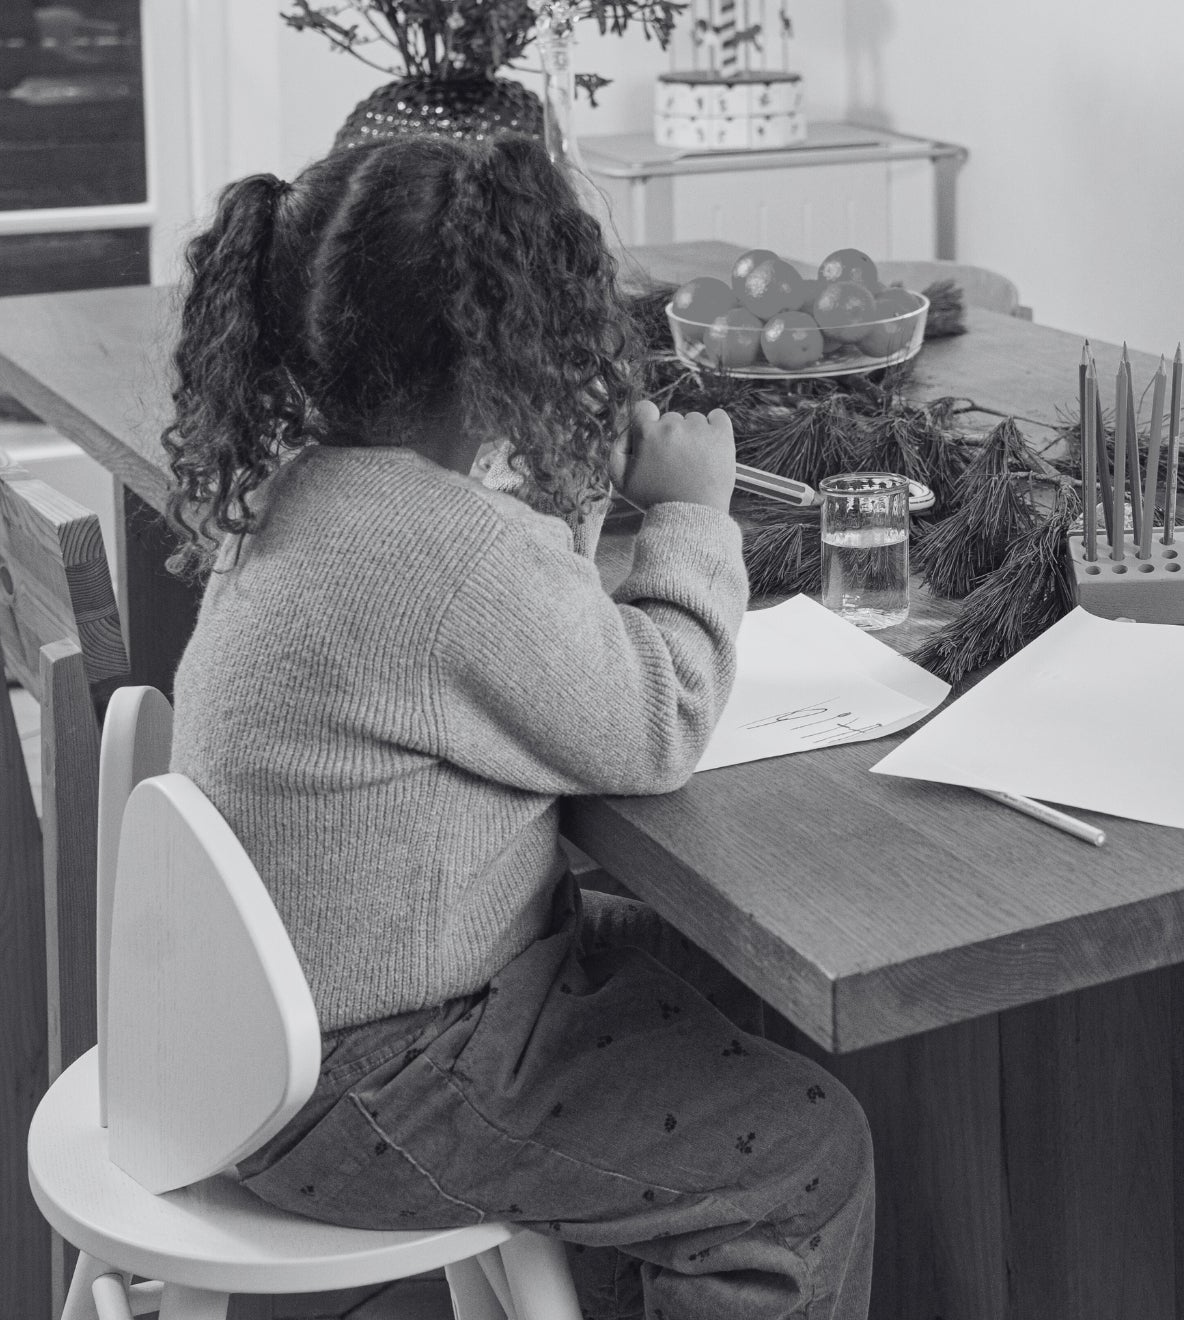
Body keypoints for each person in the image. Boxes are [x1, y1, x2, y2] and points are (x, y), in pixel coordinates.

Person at [159, 135, 873, 1320]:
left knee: (709, 970)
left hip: (258, 1041)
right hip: (378, 1079)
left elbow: (504, 644)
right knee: (805, 1161)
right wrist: (693, 515)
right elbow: (653, 720)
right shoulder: (442, 556)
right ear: (507, 344)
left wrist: (574, 506)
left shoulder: (314, 490)